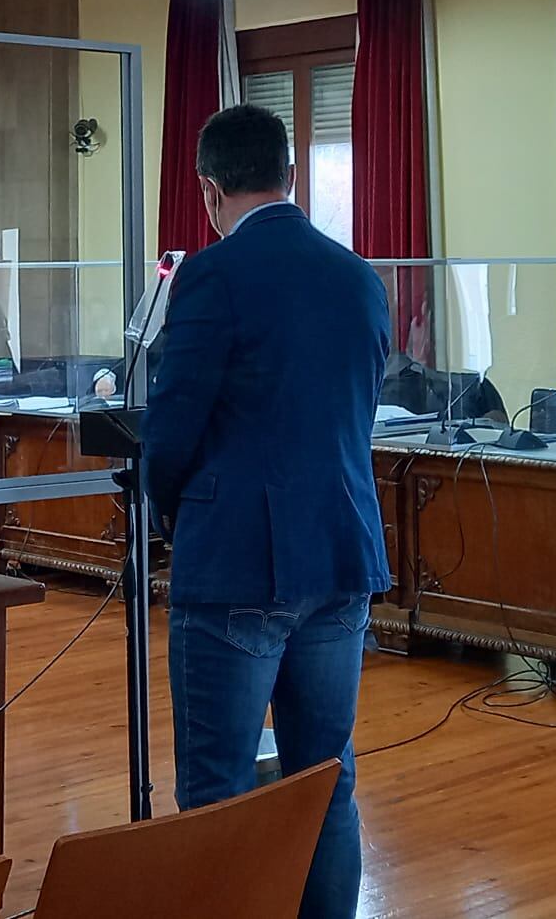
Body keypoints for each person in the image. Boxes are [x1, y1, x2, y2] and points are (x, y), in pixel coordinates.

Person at [143, 103, 390, 919]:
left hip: (238, 563)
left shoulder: (212, 275)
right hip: (342, 557)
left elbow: (173, 430)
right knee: (326, 779)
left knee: (218, 788)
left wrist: (175, 512)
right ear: (290, 175)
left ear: (210, 191)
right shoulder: (359, 276)